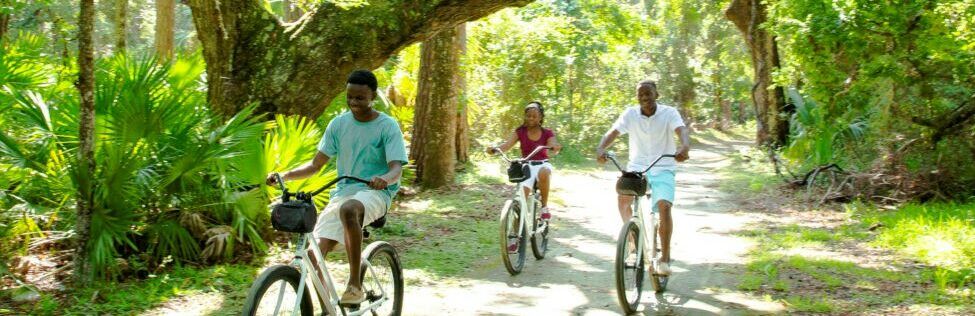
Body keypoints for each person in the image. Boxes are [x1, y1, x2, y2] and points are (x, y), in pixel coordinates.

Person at [265, 70, 408, 305]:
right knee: (312, 256)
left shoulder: (387, 126)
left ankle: (354, 286)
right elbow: (315, 165)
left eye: (360, 98)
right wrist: (284, 175)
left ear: (372, 96)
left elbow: (396, 169)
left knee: (349, 209)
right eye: (349, 96)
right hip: (343, 193)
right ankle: (327, 307)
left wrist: (384, 178)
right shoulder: (338, 124)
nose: (353, 102)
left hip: (375, 193)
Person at [594, 80, 690, 275]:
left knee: (664, 206)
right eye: (641, 95)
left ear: (657, 94)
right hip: (637, 168)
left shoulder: (669, 113)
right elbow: (613, 132)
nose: (645, 98)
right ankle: (632, 241)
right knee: (623, 201)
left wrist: (684, 146)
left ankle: (664, 259)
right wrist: (601, 147)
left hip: (663, 167)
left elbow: (681, 130)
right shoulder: (630, 114)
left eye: (648, 94)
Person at [487, 101, 562, 251]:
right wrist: (495, 149)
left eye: (534, 116)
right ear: (525, 117)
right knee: (520, 200)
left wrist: (554, 146)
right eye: (528, 116)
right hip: (526, 166)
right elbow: (506, 145)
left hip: (542, 164)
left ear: (540, 117)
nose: (531, 119)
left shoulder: (547, 132)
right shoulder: (520, 131)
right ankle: (516, 237)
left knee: (544, 173)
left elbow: (553, 143)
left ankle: (545, 208)